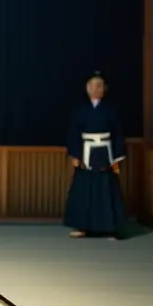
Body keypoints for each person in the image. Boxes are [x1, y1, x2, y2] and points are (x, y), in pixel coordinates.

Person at [63, 71, 127, 239]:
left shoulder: (112, 110)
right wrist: (75, 155)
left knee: (107, 188)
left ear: (104, 88)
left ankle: (110, 228)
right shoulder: (80, 111)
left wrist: (117, 158)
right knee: (84, 189)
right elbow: (73, 133)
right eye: (92, 85)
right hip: (86, 152)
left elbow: (118, 134)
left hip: (106, 153)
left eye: (99, 85)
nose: (96, 89)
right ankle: (82, 226)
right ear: (87, 88)